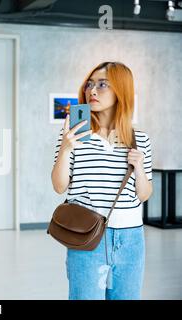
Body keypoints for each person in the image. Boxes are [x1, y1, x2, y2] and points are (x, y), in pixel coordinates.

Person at [51, 62, 153, 300]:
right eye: (90, 84)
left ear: (121, 91)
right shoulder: (75, 136)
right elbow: (58, 186)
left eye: (102, 84)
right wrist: (66, 148)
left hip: (131, 239)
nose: (92, 90)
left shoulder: (140, 139)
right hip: (87, 235)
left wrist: (138, 168)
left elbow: (144, 194)